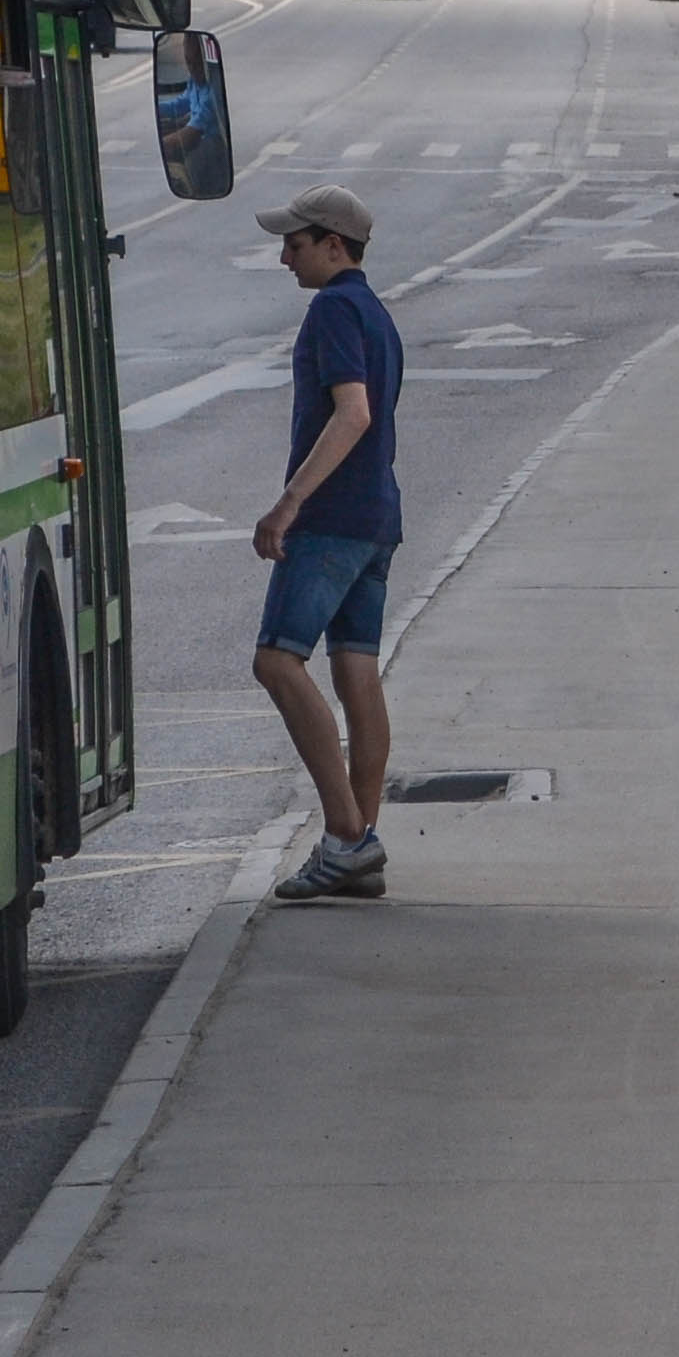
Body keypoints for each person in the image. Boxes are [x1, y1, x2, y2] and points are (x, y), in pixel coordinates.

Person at [250, 182, 404, 903]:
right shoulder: (376, 313)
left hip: (332, 520)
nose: (285, 257)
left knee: (277, 663)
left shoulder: (333, 309)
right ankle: (356, 843)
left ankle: (347, 833)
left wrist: (288, 504)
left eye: (296, 242)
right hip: (376, 518)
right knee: (356, 672)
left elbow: (353, 414)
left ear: (334, 245)